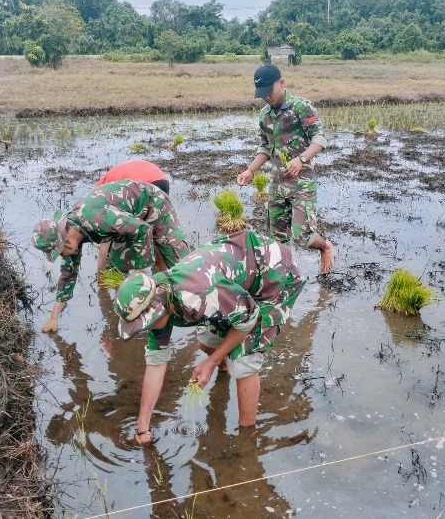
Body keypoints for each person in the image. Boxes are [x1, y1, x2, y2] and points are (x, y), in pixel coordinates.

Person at [113, 229, 307, 445]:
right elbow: (156, 363)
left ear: (156, 308)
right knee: (207, 343)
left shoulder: (197, 295)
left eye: (144, 324)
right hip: (234, 282)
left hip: (273, 274)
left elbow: (249, 317)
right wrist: (142, 427)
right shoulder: (158, 300)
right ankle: (223, 366)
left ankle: (246, 438)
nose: (144, 329)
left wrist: (212, 362)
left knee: (243, 361)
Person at [32, 179, 190, 333]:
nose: (62, 256)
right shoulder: (71, 234)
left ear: (66, 241)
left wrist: (139, 271)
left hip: (153, 204)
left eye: (59, 252)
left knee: (183, 268)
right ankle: (136, 311)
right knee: (114, 271)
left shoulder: (96, 217)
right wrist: (53, 318)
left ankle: (198, 311)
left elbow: (142, 229)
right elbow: (68, 275)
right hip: (127, 225)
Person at [236, 63, 334, 276]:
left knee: (303, 237)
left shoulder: (301, 107)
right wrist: (250, 171)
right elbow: (265, 147)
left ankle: (326, 246)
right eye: (261, 94)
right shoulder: (265, 115)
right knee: (275, 241)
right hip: (278, 184)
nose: (265, 98)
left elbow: (321, 137)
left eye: (268, 92)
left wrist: (301, 158)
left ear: (281, 83)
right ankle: (283, 280)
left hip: (302, 184)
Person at [95, 160, 171, 270]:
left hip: (140, 185)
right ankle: (161, 281)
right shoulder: (111, 179)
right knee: (157, 234)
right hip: (161, 181)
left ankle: (137, 278)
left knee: (132, 237)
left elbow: (105, 243)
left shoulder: (97, 197)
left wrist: (101, 284)